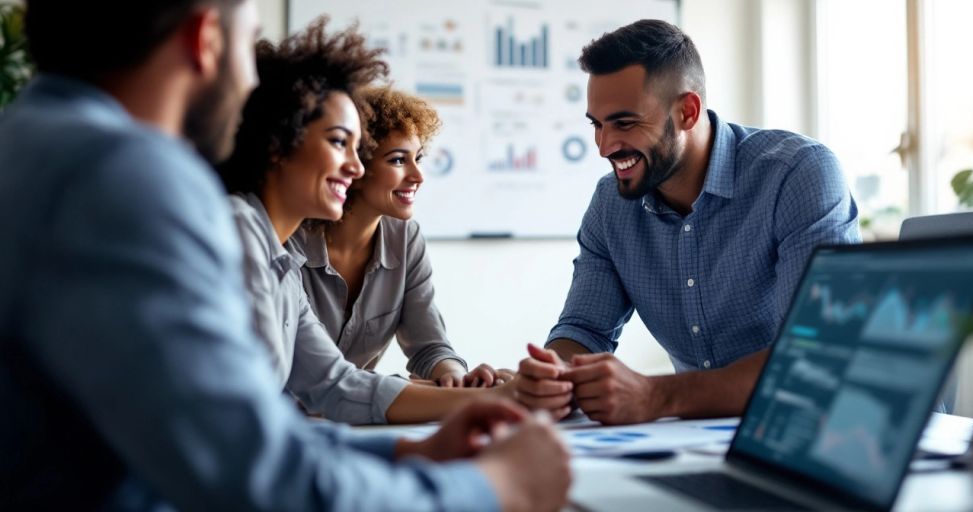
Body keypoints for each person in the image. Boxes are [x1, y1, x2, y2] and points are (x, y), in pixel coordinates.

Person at [0, 1, 569, 510]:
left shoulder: (33, 142)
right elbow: (249, 469)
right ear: (206, 39)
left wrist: (407, 452)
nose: (250, 87)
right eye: (247, 46)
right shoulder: (129, 174)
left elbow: (322, 391)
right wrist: (492, 488)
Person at [514, 19, 860, 425]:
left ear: (687, 111)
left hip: (846, 429)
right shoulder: (611, 205)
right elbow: (584, 331)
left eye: (624, 123)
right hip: (710, 438)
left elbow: (820, 355)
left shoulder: (797, 175)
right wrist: (553, 376)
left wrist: (657, 396)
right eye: (597, 124)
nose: (605, 146)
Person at [217, 20, 517, 425]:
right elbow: (257, 414)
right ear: (278, 143)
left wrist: (493, 396)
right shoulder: (241, 232)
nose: (355, 167)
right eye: (340, 142)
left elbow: (336, 385)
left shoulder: (277, 259)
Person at [293, 85, 513, 388]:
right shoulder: (291, 240)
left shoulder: (406, 238)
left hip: (354, 420)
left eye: (418, 159)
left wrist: (457, 379)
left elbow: (429, 346)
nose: (418, 176)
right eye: (398, 160)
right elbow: (315, 382)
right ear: (355, 165)